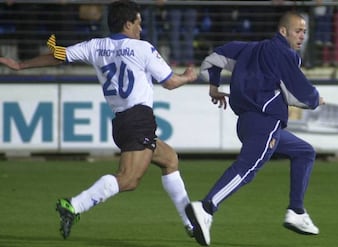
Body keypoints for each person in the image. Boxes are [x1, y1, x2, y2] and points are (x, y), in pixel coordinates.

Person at [0, 0, 196, 240]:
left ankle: (191, 222)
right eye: (138, 23)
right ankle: (74, 205)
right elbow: (170, 82)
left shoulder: (95, 46)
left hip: (122, 122)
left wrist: (20, 65)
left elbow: (58, 55)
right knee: (128, 179)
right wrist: (187, 76)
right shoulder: (143, 48)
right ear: (127, 23)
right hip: (138, 119)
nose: (140, 29)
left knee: (169, 159)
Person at [185, 11, 325, 246]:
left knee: (304, 152)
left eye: (304, 31)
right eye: (298, 31)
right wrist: (316, 99)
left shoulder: (247, 49)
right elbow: (298, 91)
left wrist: (213, 87)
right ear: (283, 31)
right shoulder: (284, 54)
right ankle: (206, 208)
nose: (302, 36)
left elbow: (213, 58)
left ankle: (297, 212)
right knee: (247, 169)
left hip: (247, 122)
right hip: (266, 121)